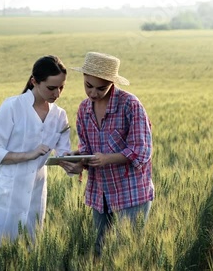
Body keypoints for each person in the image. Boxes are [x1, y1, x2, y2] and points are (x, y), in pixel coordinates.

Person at [60, 52, 154, 258]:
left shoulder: (130, 104)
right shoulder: (84, 109)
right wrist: (77, 160)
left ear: (112, 82)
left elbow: (142, 150)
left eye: (100, 88)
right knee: (100, 253)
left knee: (125, 254)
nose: (93, 93)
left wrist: (107, 159)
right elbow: (86, 148)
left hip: (130, 193)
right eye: (88, 85)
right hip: (99, 194)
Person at [0, 55, 71, 269]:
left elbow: (64, 153)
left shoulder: (60, 116)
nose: (57, 94)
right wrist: (28, 155)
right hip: (5, 196)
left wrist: (75, 163)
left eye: (62, 88)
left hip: (35, 196)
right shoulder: (12, 107)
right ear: (34, 81)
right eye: (51, 88)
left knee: (26, 258)